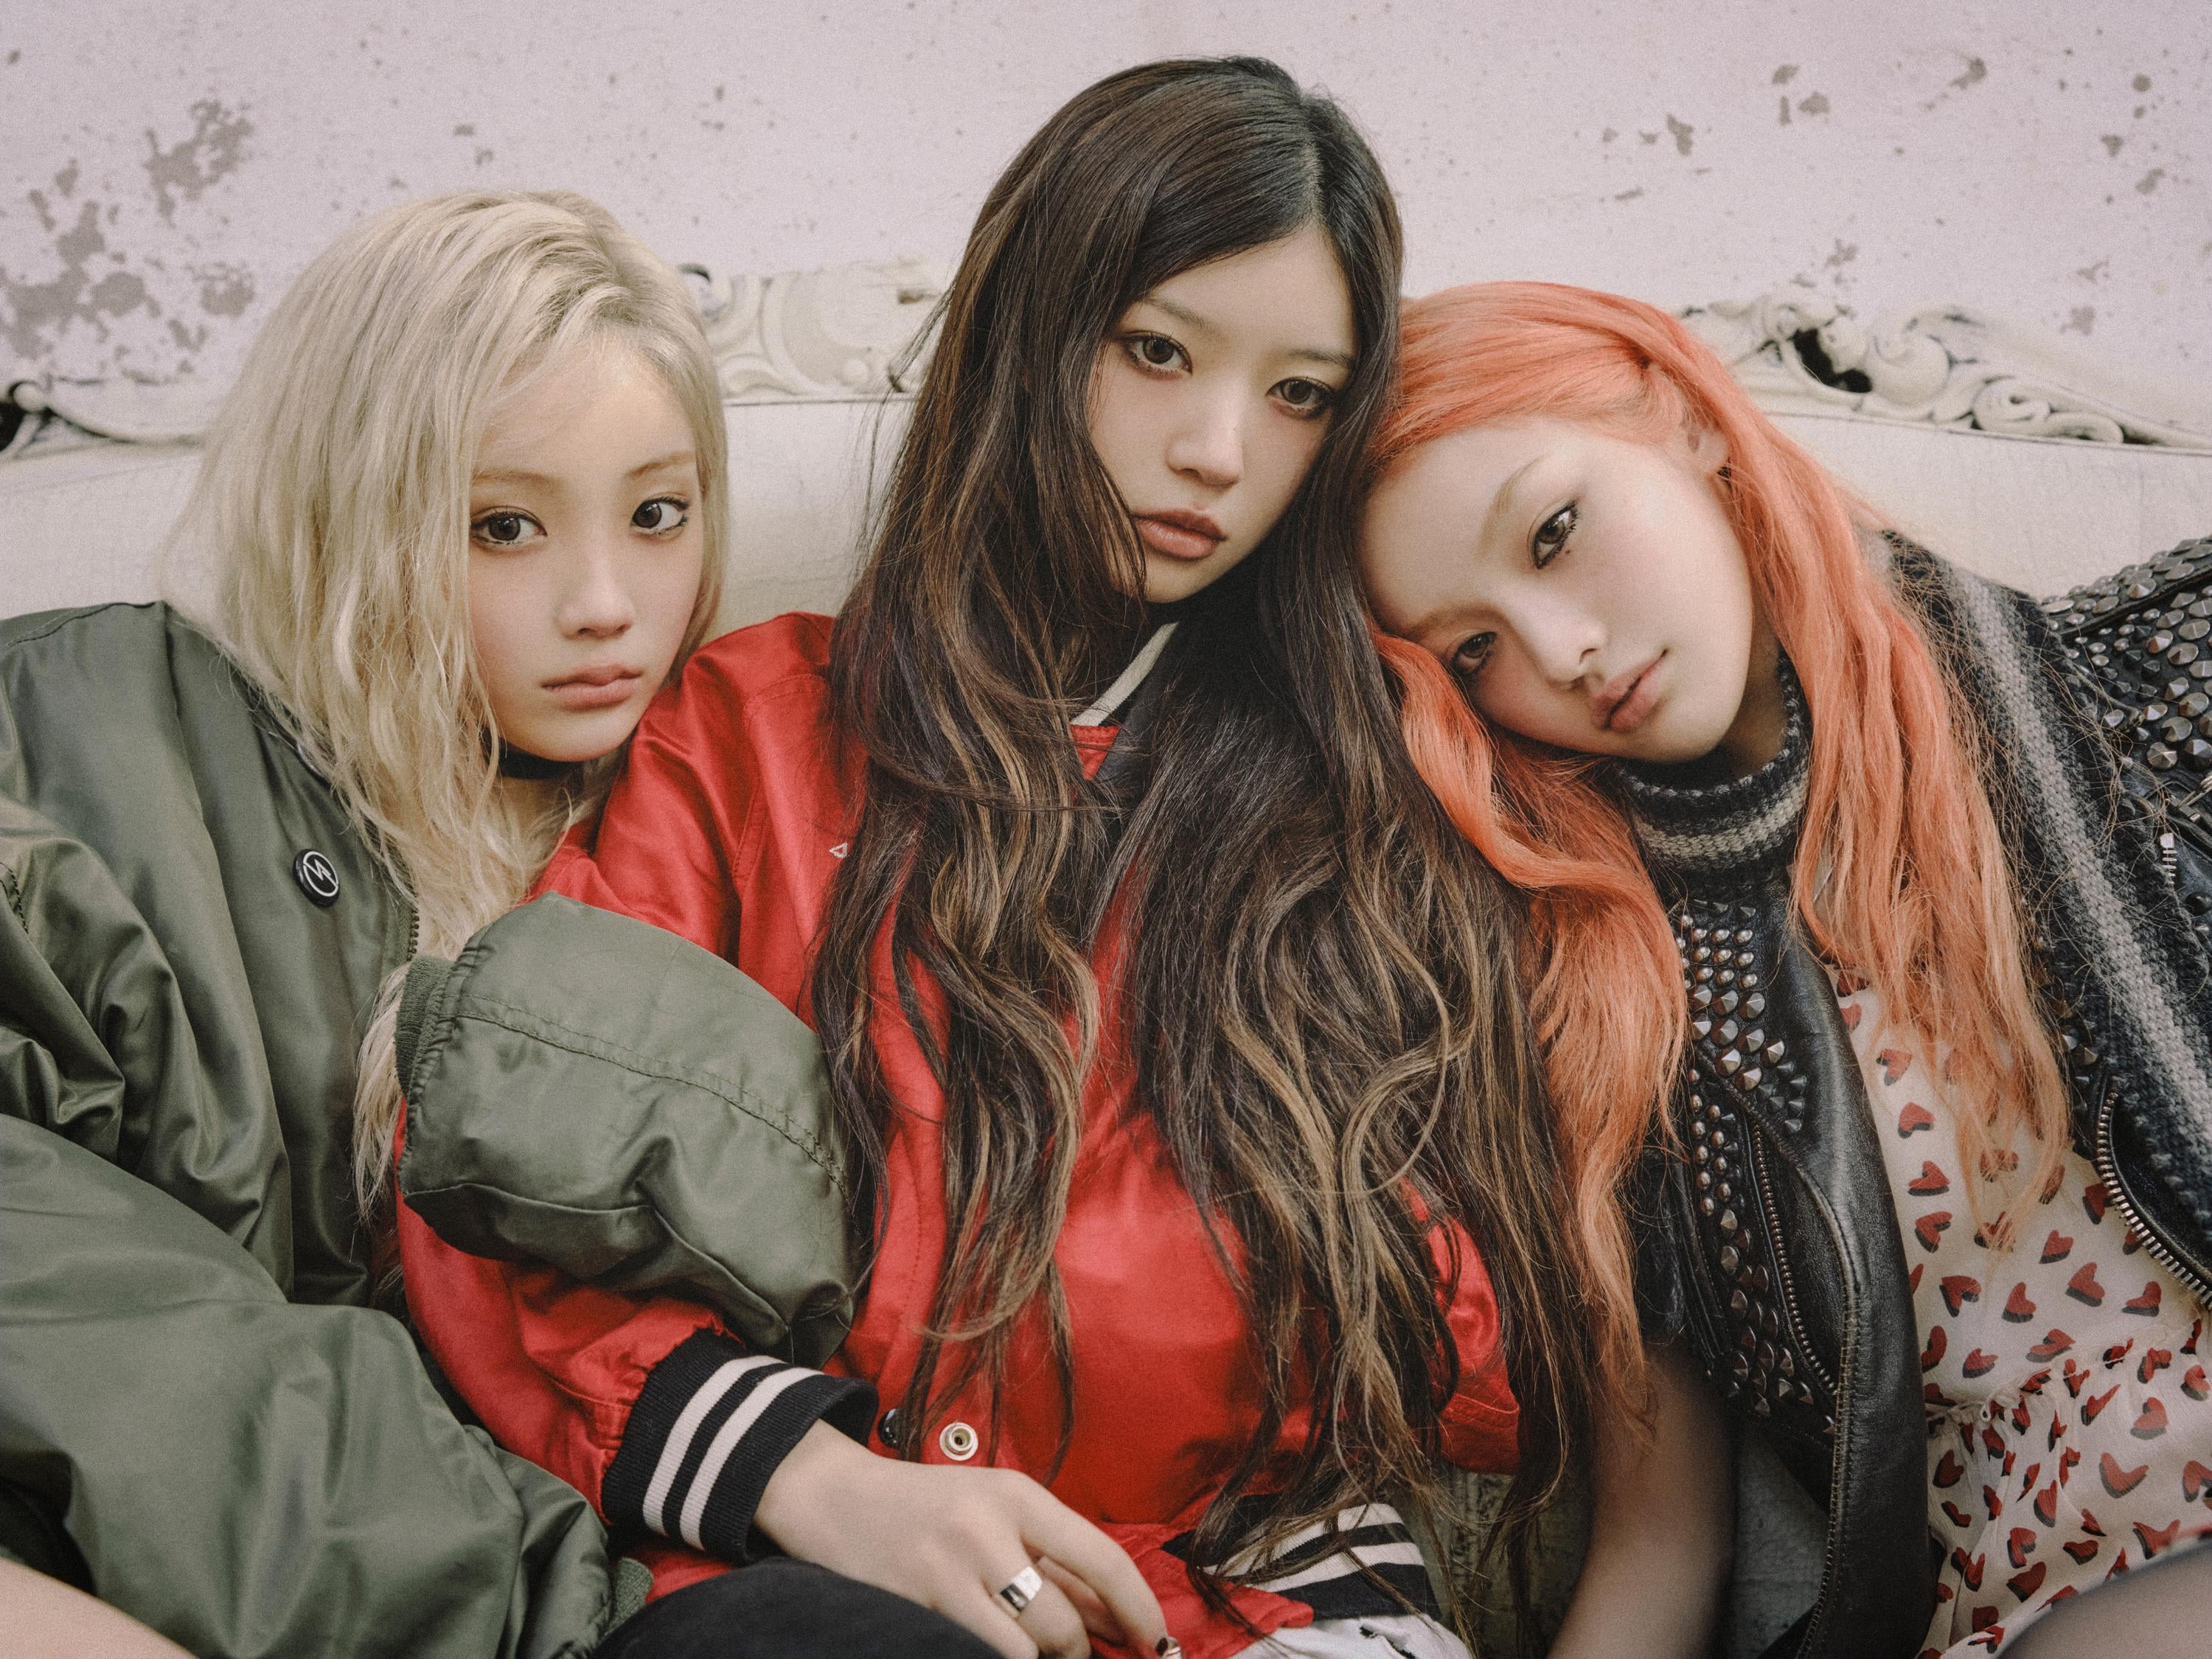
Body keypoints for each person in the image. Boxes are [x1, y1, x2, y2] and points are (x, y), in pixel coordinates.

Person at [398, 58, 1591, 1659]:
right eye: (1157, 351)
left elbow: (1484, 1333)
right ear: (1031, 329)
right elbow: (501, 1177)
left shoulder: (1378, 780)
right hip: (814, 1591)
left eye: (1300, 394)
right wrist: (818, 1481)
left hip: (1256, 1601)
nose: (1218, 451)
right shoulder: (745, 739)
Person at [0, 187, 879, 1657]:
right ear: (352, 509)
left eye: (658, 515)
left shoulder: (733, 812)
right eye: (502, 526)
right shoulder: (88, 743)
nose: (607, 604)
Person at [1359, 279, 2212, 1659]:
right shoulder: (1623, 1019)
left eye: (1555, 531)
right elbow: (1660, 1549)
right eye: (1475, 649)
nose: (1561, 652)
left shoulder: (2167, 684)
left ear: (1688, 418)